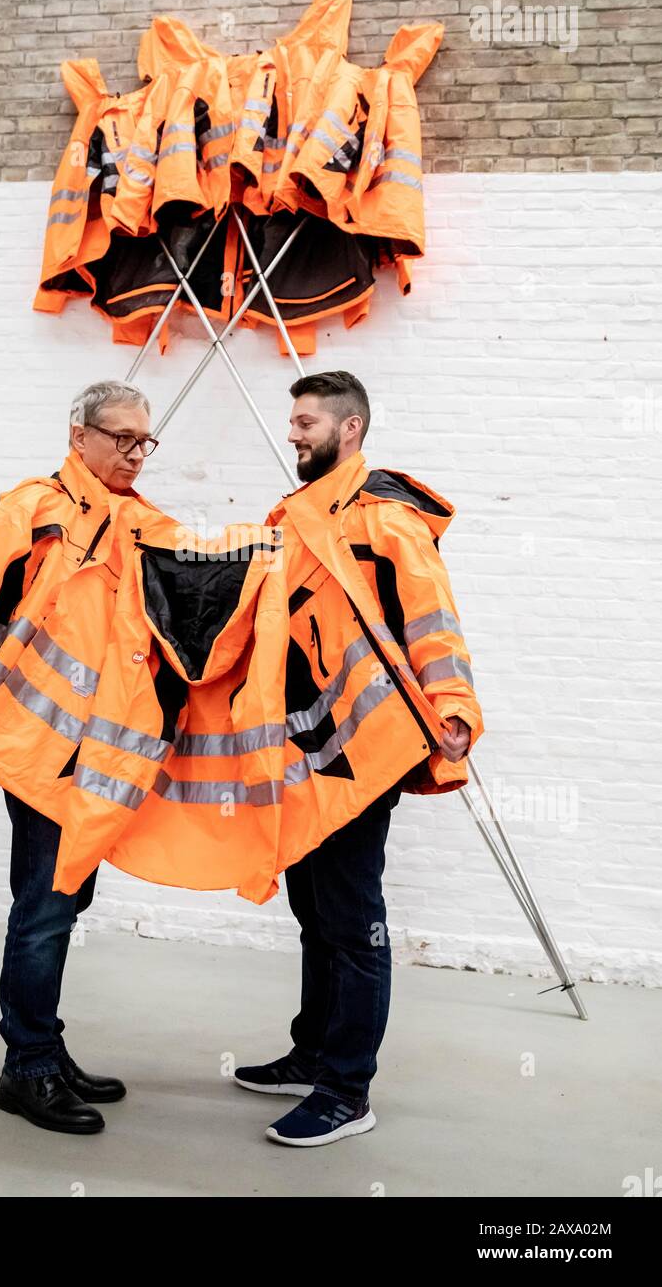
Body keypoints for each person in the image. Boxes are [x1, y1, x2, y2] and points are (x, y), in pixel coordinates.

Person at [233, 370, 483, 1147]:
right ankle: (313, 1053)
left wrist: (453, 708)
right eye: (292, 421)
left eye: (306, 422)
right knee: (314, 911)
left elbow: (432, 619)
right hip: (305, 748)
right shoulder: (296, 517)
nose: (293, 433)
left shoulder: (386, 519)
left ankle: (347, 1092)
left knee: (351, 919)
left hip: (362, 753)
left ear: (349, 429)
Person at [0, 380, 160, 1135]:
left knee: (65, 899)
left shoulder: (140, 522)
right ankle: (29, 1068)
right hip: (36, 751)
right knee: (46, 906)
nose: (135, 455)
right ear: (79, 436)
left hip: (99, 756)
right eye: (121, 438)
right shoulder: (30, 511)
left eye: (145, 442)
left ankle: (43, 1044)